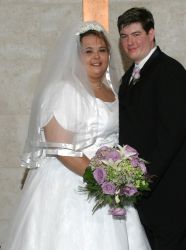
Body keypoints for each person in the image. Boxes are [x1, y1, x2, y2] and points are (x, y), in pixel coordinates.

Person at [5, 21, 151, 250]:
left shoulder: (112, 91)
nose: (97, 57)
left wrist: (119, 175)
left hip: (110, 182)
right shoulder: (64, 90)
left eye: (102, 50)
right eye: (88, 51)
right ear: (75, 55)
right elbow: (62, 149)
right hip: (70, 182)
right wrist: (103, 178)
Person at [117, 7, 186, 250]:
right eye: (124, 37)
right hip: (143, 196)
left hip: (168, 192)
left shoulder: (171, 72)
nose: (130, 42)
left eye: (136, 34)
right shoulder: (128, 78)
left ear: (151, 33)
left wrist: (141, 181)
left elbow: (171, 137)